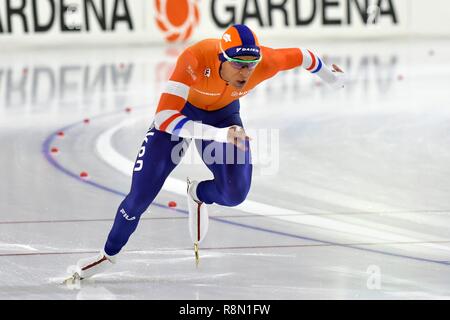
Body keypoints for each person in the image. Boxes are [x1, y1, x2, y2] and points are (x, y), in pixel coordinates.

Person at [66, 24, 344, 281]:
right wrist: (220, 135)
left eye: (251, 65)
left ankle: (197, 193)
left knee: (235, 194)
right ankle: (108, 254)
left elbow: (303, 56)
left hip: (224, 117)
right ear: (221, 58)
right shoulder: (194, 58)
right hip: (181, 116)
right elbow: (164, 117)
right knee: (139, 197)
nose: (245, 74)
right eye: (238, 65)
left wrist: (332, 79)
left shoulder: (265, 62)